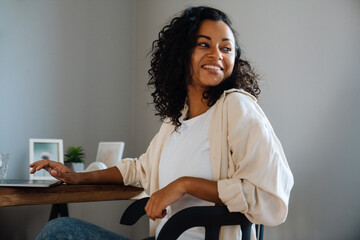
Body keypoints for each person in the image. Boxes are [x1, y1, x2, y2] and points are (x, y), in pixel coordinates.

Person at [30, 6, 294, 240]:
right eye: (204, 44)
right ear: (181, 53)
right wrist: (77, 177)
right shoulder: (176, 121)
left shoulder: (236, 106)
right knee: (61, 229)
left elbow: (270, 196)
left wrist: (184, 185)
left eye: (226, 48)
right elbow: (141, 169)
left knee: (59, 232)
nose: (217, 54)